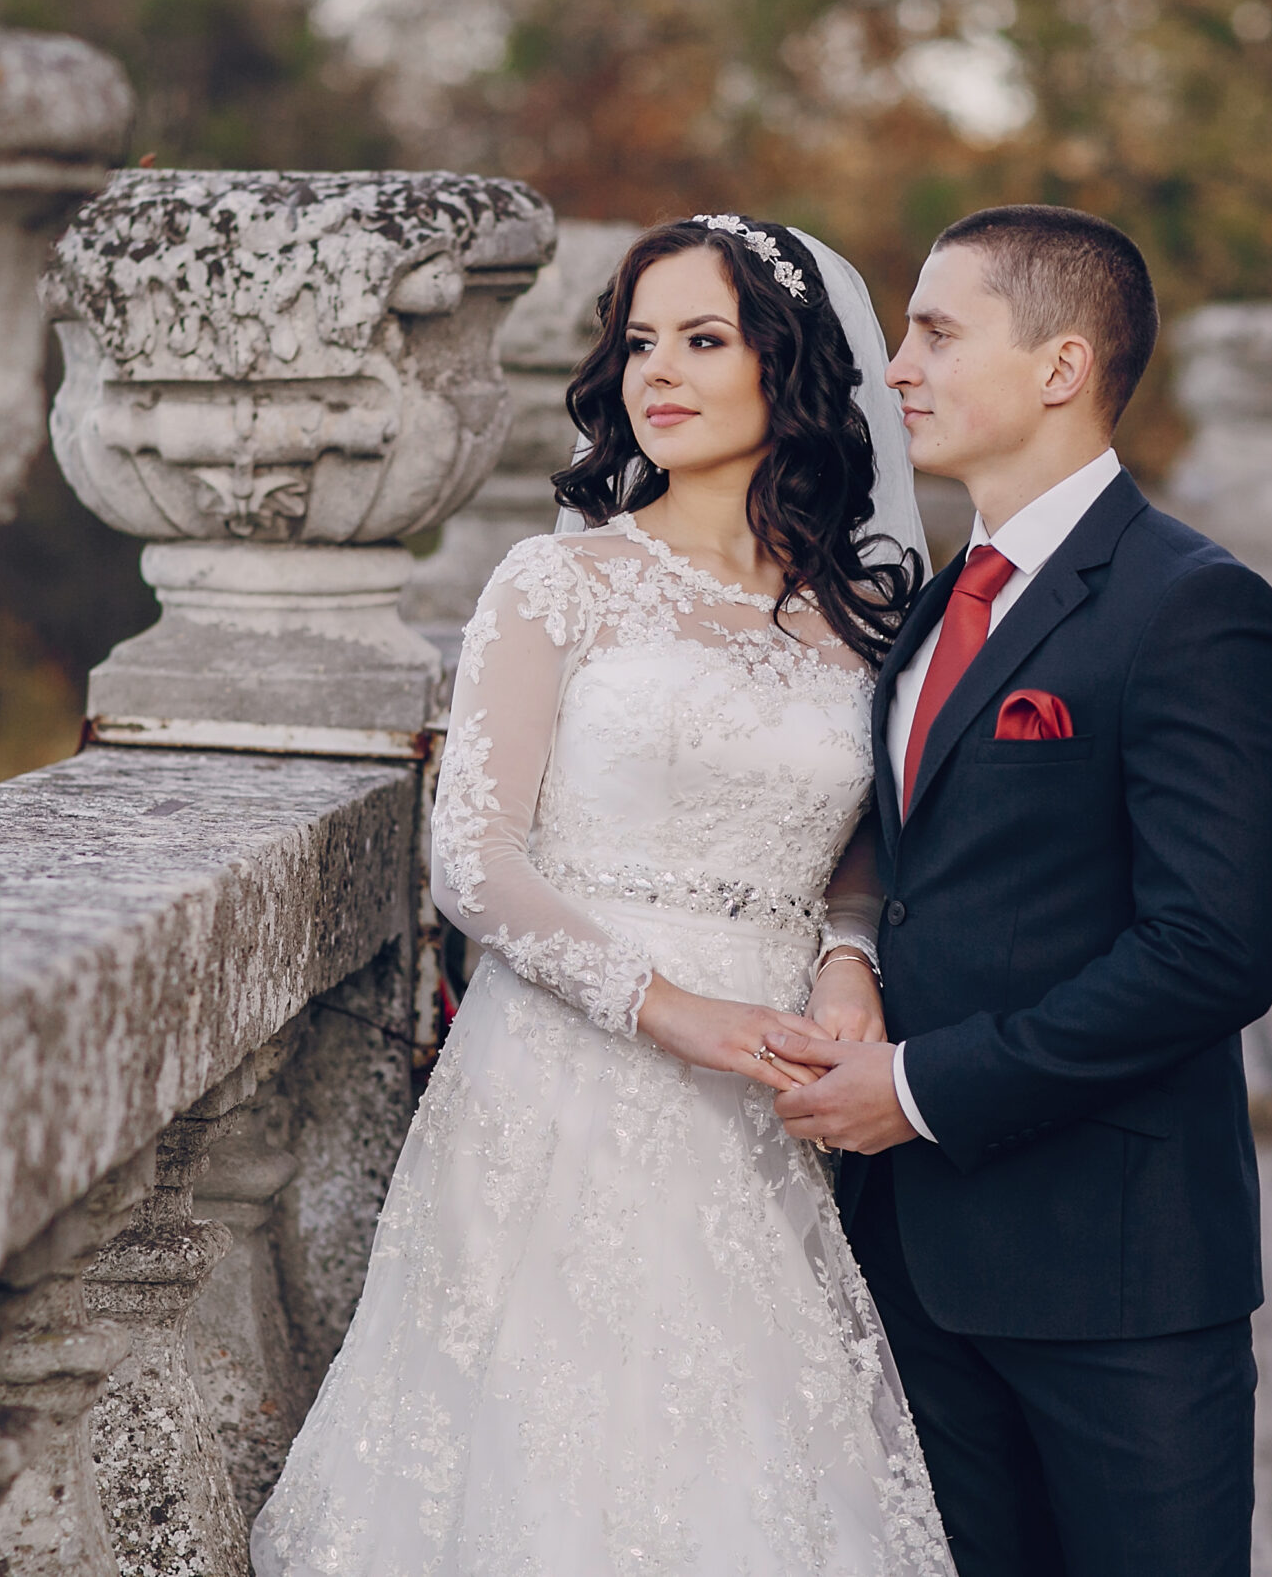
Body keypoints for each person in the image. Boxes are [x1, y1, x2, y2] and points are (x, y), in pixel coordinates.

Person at [250, 216, 954, 1575]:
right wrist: (675, 1009)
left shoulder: (862, 612)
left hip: (769, 1090)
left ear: (790, 367)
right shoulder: (558, 583)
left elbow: (854, 839)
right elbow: (475, 861)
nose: (659, 372)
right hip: (566, 1076)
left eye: (703, 338)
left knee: (742, 1472)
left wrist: (850, 957)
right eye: (640, 341)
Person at [764, 205, 1272, 1576]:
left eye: (938, 332)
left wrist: (921, 1087)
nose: (898, 367)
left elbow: (1213, 949)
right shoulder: (931, 609)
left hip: (1114, 1275)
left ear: (1062, 366)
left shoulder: (1197, 608)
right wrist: (851, 961)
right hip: (911, 1264)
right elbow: (916, 869)